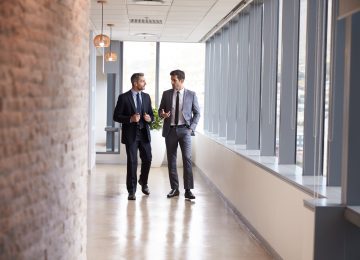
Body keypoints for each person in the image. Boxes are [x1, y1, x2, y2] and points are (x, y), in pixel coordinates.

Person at [159, 69, 200, 200]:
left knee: (187, 159)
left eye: (174, 80)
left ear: (181, 80)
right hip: (170, 130)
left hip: (185, 131)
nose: (172, 82)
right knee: (171, 160)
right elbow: (160, 110)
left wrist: (191, 128)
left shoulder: (191, 95)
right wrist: (163, 114)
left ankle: (188, 190)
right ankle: (174, 188)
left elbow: (197, 113)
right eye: (171, 79)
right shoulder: (166, 94)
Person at [113, 73, 154, 200]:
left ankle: (143, 181)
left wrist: (149, 118)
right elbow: (116, 116)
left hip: (144, 134)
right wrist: (130, 119)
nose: (145, 83)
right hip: (131, 135)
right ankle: (131, 190)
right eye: (142, 81)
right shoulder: (124, 97)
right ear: (135, 83)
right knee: (132, 162)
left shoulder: (146, 97)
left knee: (147, 159)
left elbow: (151, 115)